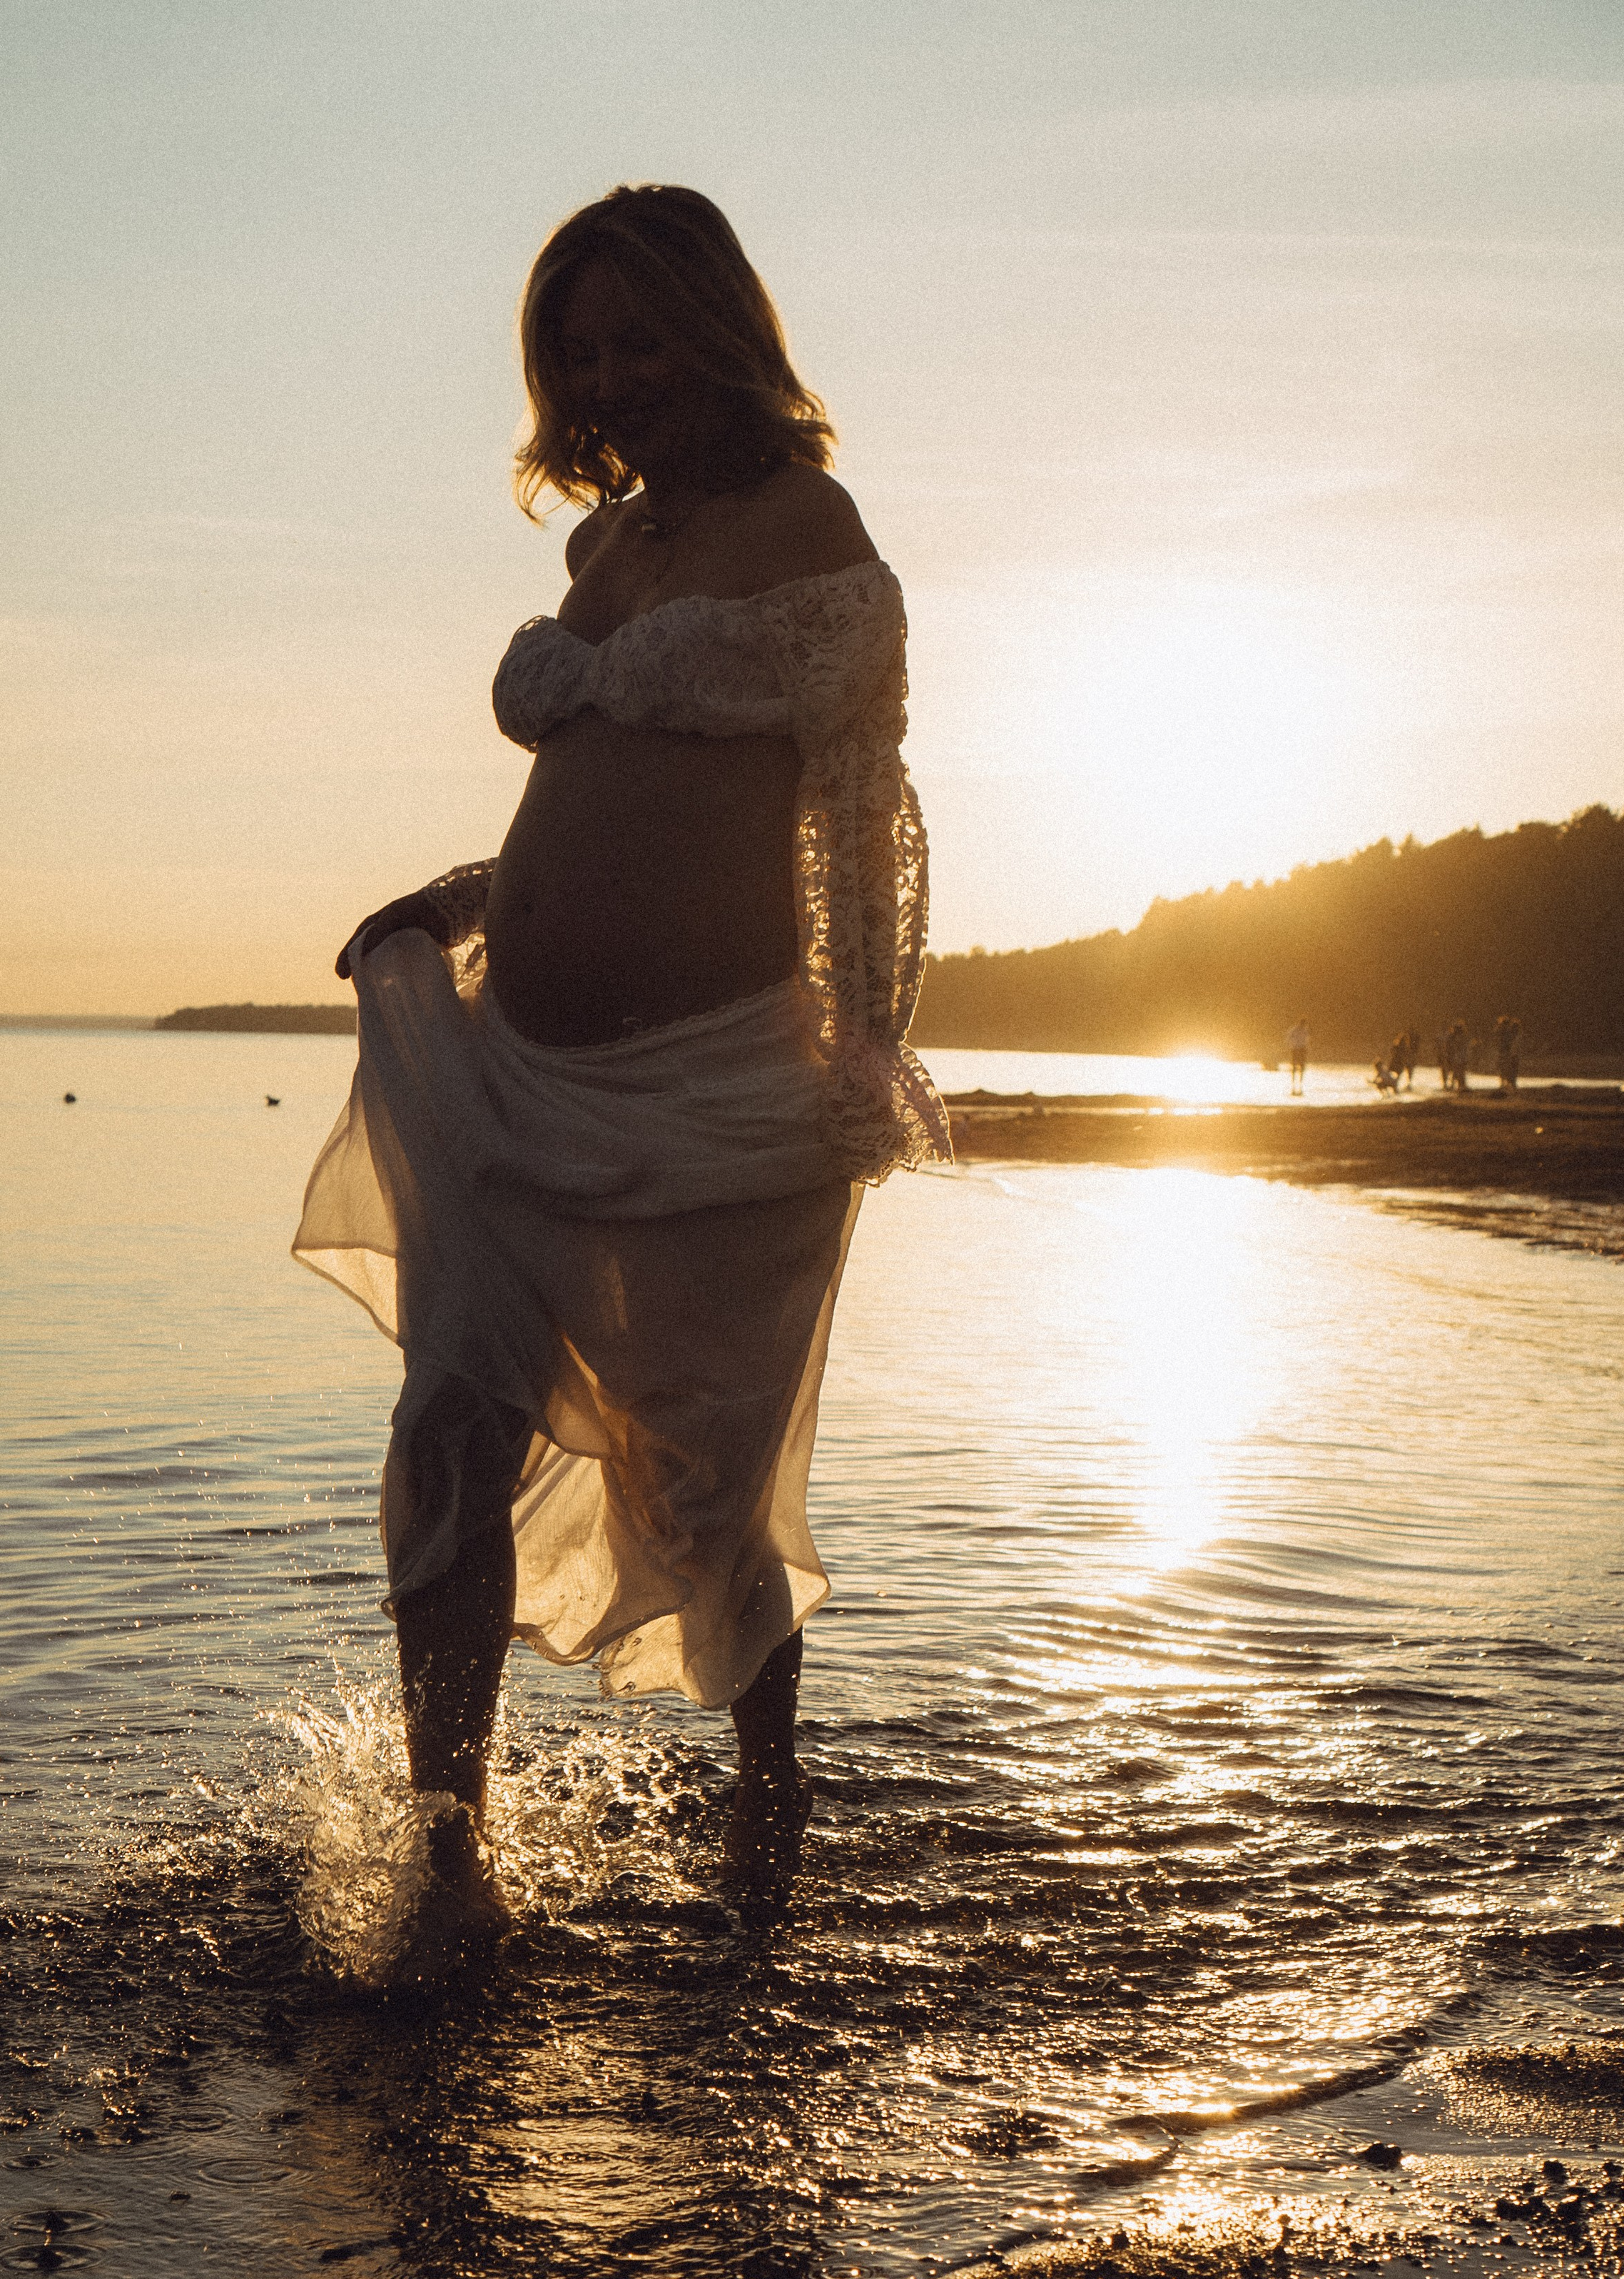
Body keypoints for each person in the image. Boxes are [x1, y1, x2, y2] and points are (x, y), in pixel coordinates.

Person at [293, 186, 948, 1959]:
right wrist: (464, 900)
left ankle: (766, 1801)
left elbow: (847, 819)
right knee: (447, 1426)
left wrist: (858, 1053)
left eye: (635, 334)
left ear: (714, 330)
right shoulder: (606, 554)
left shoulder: (805, 525)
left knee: (704, 1481)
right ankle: (449, 1849)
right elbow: (602, 805)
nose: (607, 373)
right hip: (517, 1077)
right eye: (576, 348)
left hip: (721, 1091)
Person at [1494, 1014, 1521, 1093]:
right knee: (1508, 1070)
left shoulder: (1504, 1032)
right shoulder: (1506, 1033)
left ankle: (1505, 1085)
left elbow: (1502, 1043)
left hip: (1506, 1053)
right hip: (1507, 1053)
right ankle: (1508, 1085)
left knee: (1505, 1070)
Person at [1286, 1019, 1310, 1096]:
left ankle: (1299, 1084)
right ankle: (1294, 1084)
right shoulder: (1295, 1030)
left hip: (1299, 1049)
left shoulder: (1304, 1030)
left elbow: (1307, 1040)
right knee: (1295, 1066)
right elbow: (1289, 1038)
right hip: (1296, 1049)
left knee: (1300, 1067)